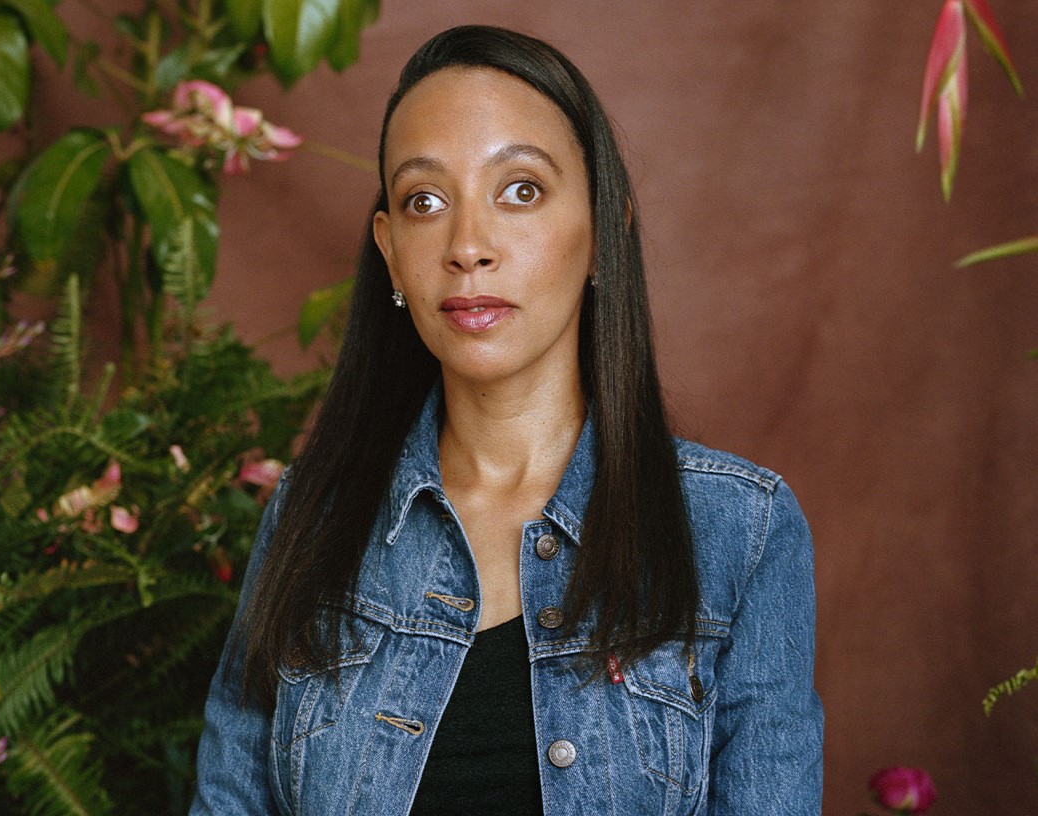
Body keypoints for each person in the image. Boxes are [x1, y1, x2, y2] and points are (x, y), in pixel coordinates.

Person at [190, 24, 823, 816]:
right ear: (389, 250)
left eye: (519, 189)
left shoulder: (739, 530)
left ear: (602, 230)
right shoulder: (311, 516)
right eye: (425, 201)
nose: (467, 246)